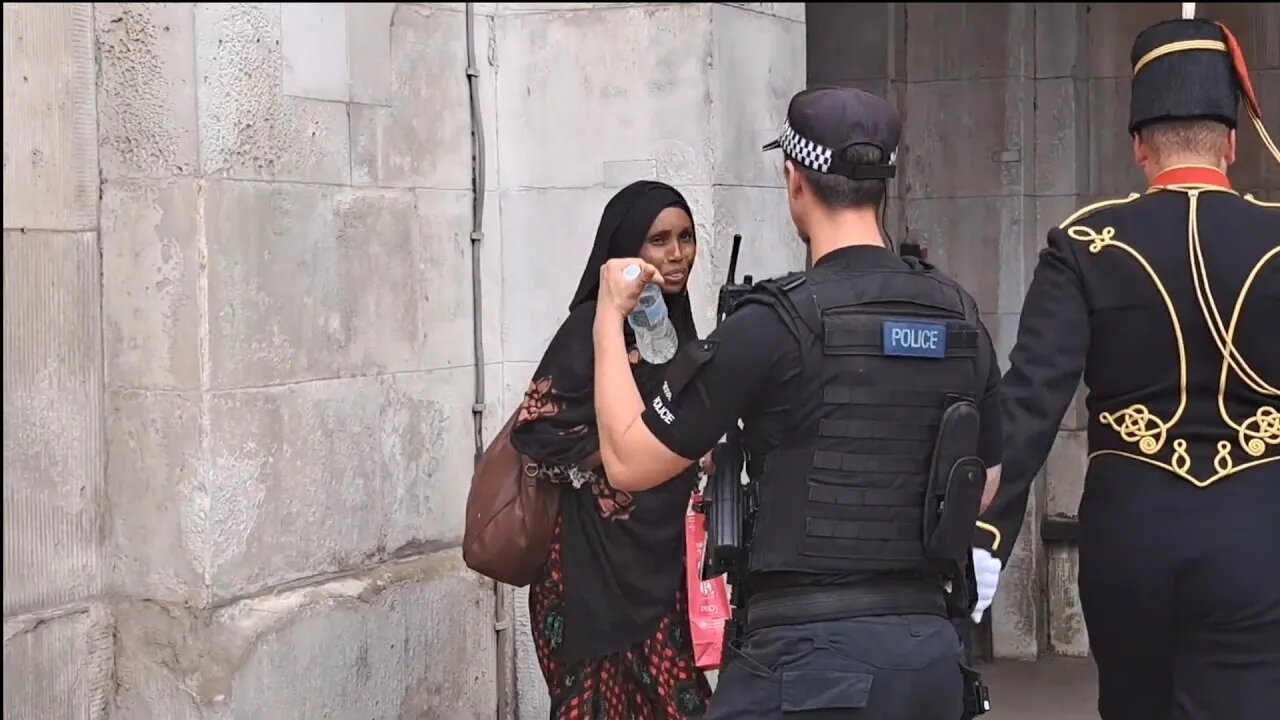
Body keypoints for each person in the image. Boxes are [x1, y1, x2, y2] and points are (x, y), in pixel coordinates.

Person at [589, 87, 1004, 719]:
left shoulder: (775, 322)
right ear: (881, 183)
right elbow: (988, 477)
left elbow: (626, 460)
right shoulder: (959, 316)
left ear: (794, 179)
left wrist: (606, 318)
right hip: (929, 662)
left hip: (803, 667)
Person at [970, 16, 1280, 720]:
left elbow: (1029, 403)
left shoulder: (1084, 243)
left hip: (1131, 534)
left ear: (1139, 144)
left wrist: (983, 535)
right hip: (1263, 529)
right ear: (1232, 143)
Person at [509, 180, 713, 719]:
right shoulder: (589, 329)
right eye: (659, 240)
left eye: (686, 237)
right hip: (589, 564)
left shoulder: (677, 328)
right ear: (626, 251)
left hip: (663, 561)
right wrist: (635, 449)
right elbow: (535, 430)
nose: (676, 255)